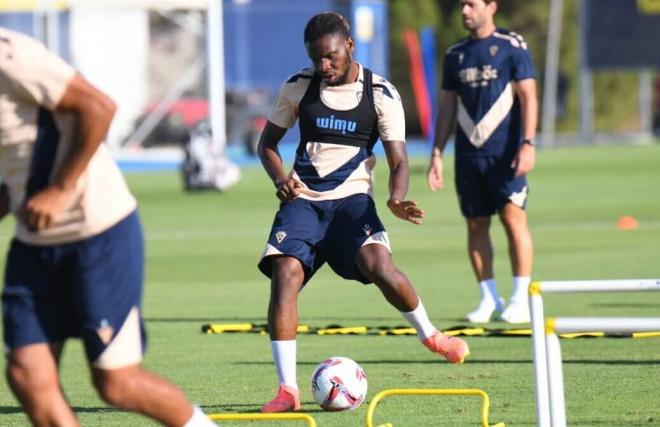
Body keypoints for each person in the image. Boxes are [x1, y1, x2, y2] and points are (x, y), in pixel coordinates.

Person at [256, 12, 470, 413]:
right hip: (302, 202)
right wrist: (279, 178)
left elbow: (400, 161)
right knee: (284, 274)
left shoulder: (381, 93)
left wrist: (395, 197)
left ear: (349, 46)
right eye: (316, 58)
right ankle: (287, 390)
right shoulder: (299, 86)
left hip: (353, 203)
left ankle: (432, 336)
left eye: (331, 57)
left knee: (380, 265)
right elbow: (267, 144)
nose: (324, 66)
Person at [0, 27, 215, 427]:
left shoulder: (10, 56)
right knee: (28, 374)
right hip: (34, 242)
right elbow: (15, 166)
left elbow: (98, 107)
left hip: (97, 230)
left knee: (116, 383)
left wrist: (60, 189)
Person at [427, 0, 538, 323]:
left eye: (471, 4)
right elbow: (447, 105)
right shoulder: (455, 54)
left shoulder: (511, 46)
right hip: (468, 155)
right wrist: (436, 153)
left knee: (513, 220)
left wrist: (528, 144)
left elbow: (529, 96)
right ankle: (489, 298)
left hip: (506, 152)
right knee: (475, 225)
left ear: (491, 6)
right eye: (461, 4)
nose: (464, 10)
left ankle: (520, 297)